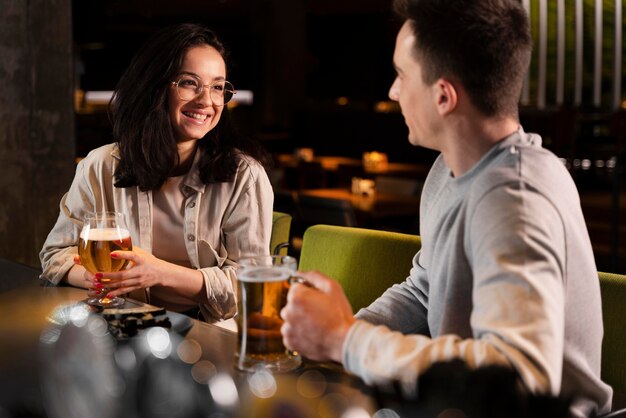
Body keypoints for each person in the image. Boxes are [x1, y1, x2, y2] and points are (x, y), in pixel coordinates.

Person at [280, 1, 613, 416]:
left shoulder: (516, 200)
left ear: (443, 96)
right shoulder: (450, 168)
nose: (393, 91)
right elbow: (424, 291)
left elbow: (521, 377)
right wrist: (327, 336)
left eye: (402, 75)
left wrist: (346, 341)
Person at [40, 23, 273, 324]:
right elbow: (54, 255)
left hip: (209, 336)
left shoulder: (245, 176)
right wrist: (92, 278)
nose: (207, 101)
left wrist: (160, 273)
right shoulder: (100, 165)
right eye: (190, 83)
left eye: (217, 87)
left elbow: (253, 288)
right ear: (153, 87)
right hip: (121, 324)